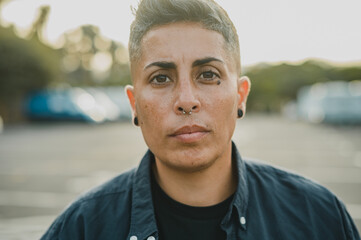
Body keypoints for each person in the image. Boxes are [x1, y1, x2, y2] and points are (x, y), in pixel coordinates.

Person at [41, 0, 360, 239]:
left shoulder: (319, 217)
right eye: (161, 78)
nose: (186, 101)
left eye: (208, 75)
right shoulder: (81, 228)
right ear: (134, 103)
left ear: (241, 95)